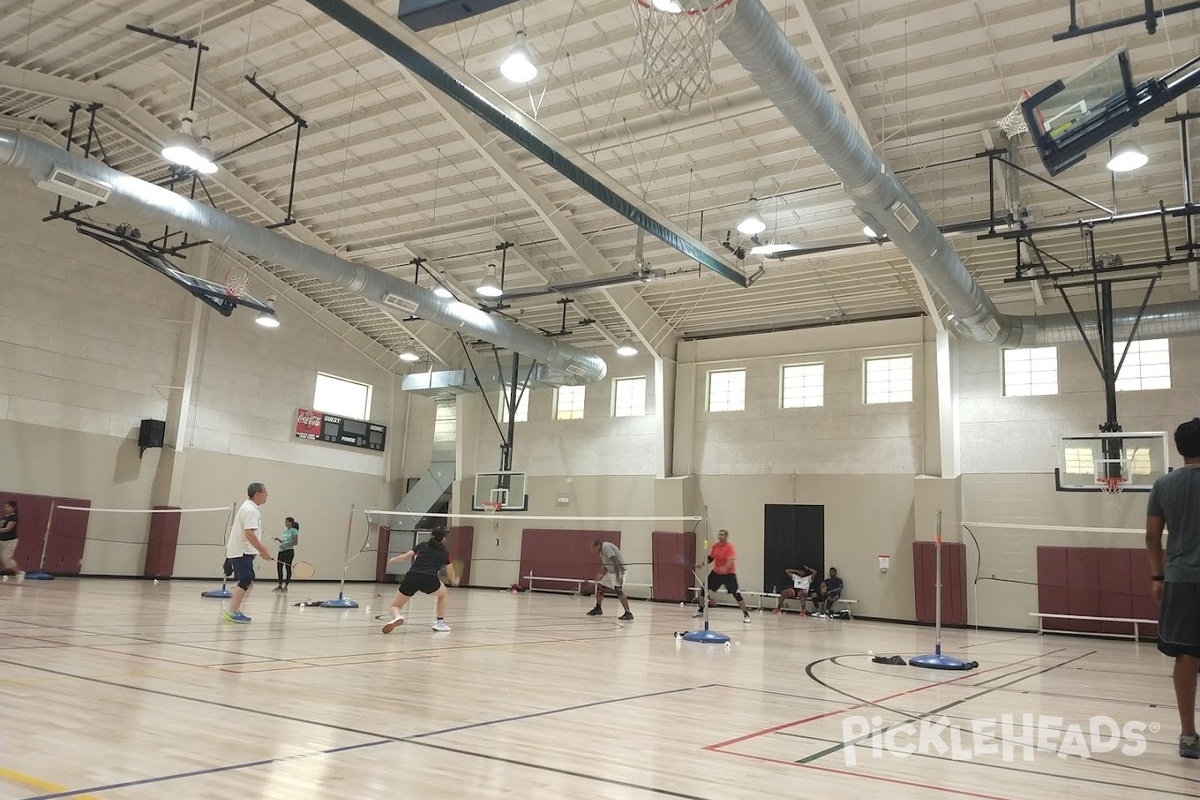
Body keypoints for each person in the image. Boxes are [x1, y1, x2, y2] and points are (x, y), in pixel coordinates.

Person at [1146, 417, 1200, 760]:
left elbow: (1152, 536)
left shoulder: (1164, 484)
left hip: (1180, 580)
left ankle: (1189, 736)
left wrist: (1157, 577)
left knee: (1187, 655)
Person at [382, 528, 459, 633]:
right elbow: (450, 573)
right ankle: (439, 623)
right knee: (443, 594)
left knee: (394, 606)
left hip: (412, 576)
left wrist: (394, 560)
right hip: (429, 579)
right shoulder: (445, 552)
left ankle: (397, 616)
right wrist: (454, 581)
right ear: (443, 539)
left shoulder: (422, 545)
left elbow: (405, 557)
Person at [222, 482, 273, 624]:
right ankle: (231, 612)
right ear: (258, 494)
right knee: (247, 577)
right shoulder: (250, 510)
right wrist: (263, 551)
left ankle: (233, 610)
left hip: (241, 551)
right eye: (265, 493)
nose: (267, 496)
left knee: (245, 578)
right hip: (241, 551)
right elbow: (249, 533)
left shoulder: (249, 508)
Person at [695, 529, 751, 623]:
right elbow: (711, 558)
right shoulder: (715, 546)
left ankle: (746, 614)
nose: (720, 536)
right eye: (719, 534)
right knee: (703, 589)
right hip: (716, 573)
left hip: (729, 574)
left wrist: (724, 568)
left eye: (722, 535)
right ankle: (700, 610)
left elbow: (730, 560)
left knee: (736, 594)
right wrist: (702, 563)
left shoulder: (729, 547)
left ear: (726, 536)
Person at [587, 539, 634, 620]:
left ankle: (628, 613)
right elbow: (606, 564)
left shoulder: (606, 547)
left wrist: (618, 576)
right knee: (601, 586)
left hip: (619, 570)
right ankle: (598, 608)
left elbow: (615, 560)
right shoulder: (601, 551)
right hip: (611, 571)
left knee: (618, 590)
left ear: (598, 545)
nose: (594, 551)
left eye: (594, 548)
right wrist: (601, 575)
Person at [272, 517, 300, 592]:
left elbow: (295, 542)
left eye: (287, 522)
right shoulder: (285, 531)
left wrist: (286, 544)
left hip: (289, 551)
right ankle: (280, 585)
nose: (285, 523)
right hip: (281, 551)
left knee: (287, 568)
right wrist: (279, 540)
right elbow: (284, 542)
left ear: (291, 522)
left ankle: (286, 585)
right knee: (279, 568)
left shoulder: (294, 531)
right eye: (285, 522)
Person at [0, 500, 23, 582]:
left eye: (8, 507)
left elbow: (8, 529)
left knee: (6, 558)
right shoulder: (4, 517)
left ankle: (19, 573)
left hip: (10, 541)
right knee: (3, 559)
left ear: (13, 508)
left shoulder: (14, 517)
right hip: (2, 540)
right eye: (5, 506)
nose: (5, 508)